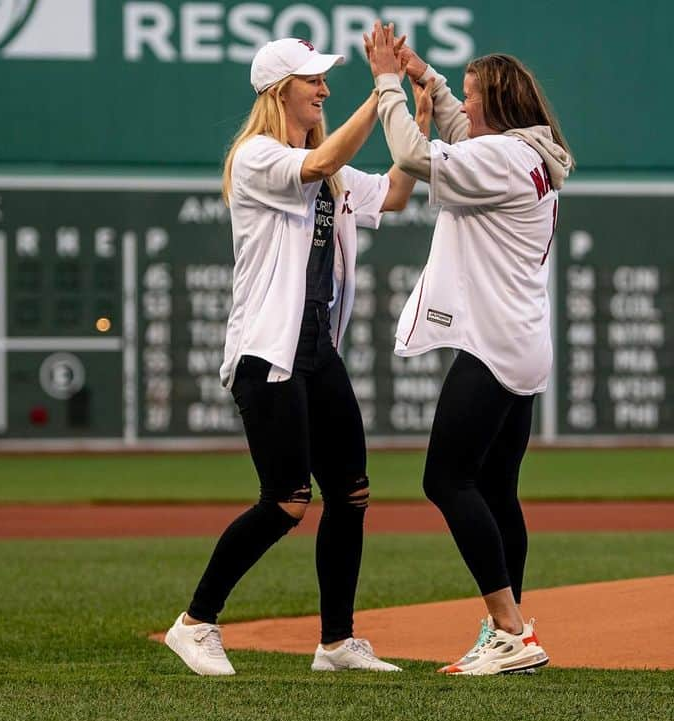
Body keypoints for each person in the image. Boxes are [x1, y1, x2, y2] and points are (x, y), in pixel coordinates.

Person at [164, 36, 431, 676]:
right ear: (278, 88)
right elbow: (314, 166)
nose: (323, 89)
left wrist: (414, 118)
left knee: (352, 492)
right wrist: (383, 88)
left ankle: (336, 642)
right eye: (312, 79)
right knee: (286, 501)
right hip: (267, 354)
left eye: (324, 78)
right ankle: (195, 623)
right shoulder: (258, 156)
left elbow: (392, 195)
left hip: (317, 352)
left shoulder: (330, 168)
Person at [365, 22, 574, 675]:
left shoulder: (505, 158)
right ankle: (508, 629)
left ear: (497, 103)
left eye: (469, 92)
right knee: (496, 488)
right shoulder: (528, 153)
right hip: (521, 340)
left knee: (445, 478)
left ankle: (510, 630)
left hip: (492, 343)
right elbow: (458, 131)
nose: (462, 101)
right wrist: (425, 74)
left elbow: (413, 149)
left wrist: (389, 83)